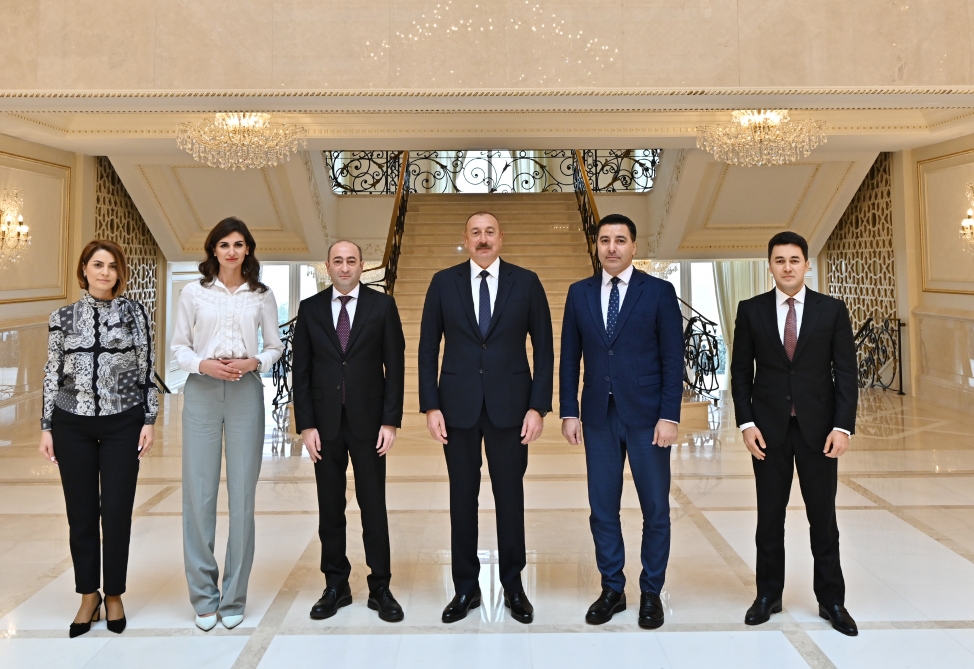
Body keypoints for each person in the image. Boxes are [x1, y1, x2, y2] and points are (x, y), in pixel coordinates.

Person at [418, 211, 553, 624]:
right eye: (475, 232)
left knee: (510, 498)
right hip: (456, 408)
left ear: (501, 238)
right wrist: (431, 405)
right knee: (462, 498)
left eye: (489, 232)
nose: (482, 239)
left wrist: (538, 407)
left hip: (511, 407)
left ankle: (513, 586)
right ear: (465, 238)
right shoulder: (443, 283)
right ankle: (465, 587)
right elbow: (427, 348)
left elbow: (544, 348)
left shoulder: (526, 282)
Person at [730, 231, 859, 636]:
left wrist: (842, 426)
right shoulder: (751, 310)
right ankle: (767, 596)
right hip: (768, 432)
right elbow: (740, 373)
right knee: (769, 518)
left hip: (819, 431)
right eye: (779, 260)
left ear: (806, 264)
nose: (787, 267)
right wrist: (746, 423)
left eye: (794, 260)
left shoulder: (831, 310)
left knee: (823, 519)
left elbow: (846, 373)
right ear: (769, 265)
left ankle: (832, 600)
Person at [559, 214, 684, 629]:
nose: (611, 247)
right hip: (598, 416)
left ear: (634, 246)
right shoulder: (579, 293)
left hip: (648, 417)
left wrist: (669, 415)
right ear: (596, 246)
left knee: (655, 509)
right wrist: (569, 410)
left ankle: (651, 591)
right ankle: (612, 588)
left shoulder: (659, 292)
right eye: (604, 240)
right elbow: (569, 358)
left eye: (620, 240)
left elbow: (673, 359)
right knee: (602, 509)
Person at [39, 239, 157, 637]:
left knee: (118, 511)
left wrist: (149, 419)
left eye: (112, 266)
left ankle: (115, 594)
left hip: (123, 422)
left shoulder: (135, 313)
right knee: (82, 513)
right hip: (71, 423)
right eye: (98, 265)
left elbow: (147, 367)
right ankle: (88, 594)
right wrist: (46, 427)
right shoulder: (61, 317)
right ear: (84, 270)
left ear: (119, 273)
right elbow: (51, 372)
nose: (105, 272)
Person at [171, 217, 284, 631]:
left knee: (242, 496)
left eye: (238, 244)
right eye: (224, 245)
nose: (232, 251)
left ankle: (234, 596)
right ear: (213, 250)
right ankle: (204, 596)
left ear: (247, 249)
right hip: (202, 390)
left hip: (245, 391)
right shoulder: (193, 292)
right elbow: (179, 347)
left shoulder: (262, 295)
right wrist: (203, 365)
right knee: (198, 495)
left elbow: (275, 346)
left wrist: (255, 362)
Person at [292, 240, 406, 623]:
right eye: (338, 261)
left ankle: (380, 586)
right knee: (330, 507)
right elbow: (301, 372)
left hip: (369, 423)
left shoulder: (382, 306)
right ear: (327, 266)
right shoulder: (310, 309)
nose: (344, 267)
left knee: (373, 505)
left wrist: (390, 420)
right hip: (324, 425)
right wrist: (306, 425)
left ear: (362, 266)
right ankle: (335, 584)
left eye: (351, 261)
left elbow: (395, 367)